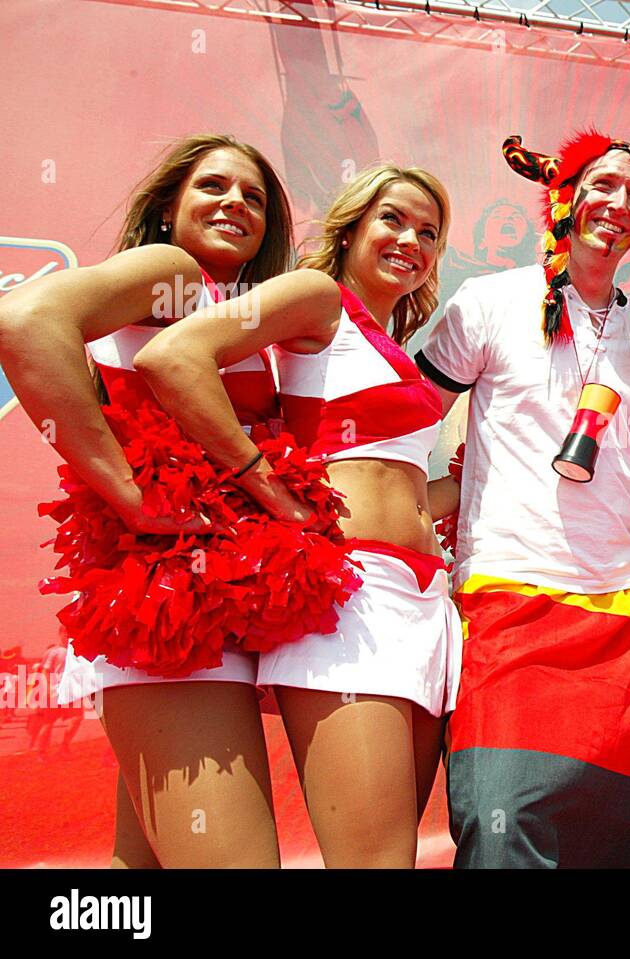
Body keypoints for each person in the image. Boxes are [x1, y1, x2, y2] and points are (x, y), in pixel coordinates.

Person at [136, 163, 459, 868]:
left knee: (392, 852)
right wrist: (266, 487)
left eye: (429, 232)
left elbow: (393, 485)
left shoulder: (391, 345)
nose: (412, 240)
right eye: (393, 220)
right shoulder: (318, 298)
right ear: (350, 229)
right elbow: (175, 356)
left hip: (426, 606)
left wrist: (464, 486)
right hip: (353, 602)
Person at [0, 133, 293, 868]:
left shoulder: (233, 309)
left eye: (253, 197)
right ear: (168, 207)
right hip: (171, 612)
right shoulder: (174, 271)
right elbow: (24, 321)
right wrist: (129, 494)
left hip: (206, 614)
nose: (235, 204)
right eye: (214, 188)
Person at [416, 131, 630, 868]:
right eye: (603, 185)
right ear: (565, 196)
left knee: (610, 835)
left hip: (625, 616)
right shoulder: (490, 301)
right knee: (506, 827)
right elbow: (401, 423)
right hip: (510, 599)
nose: (619, 204)